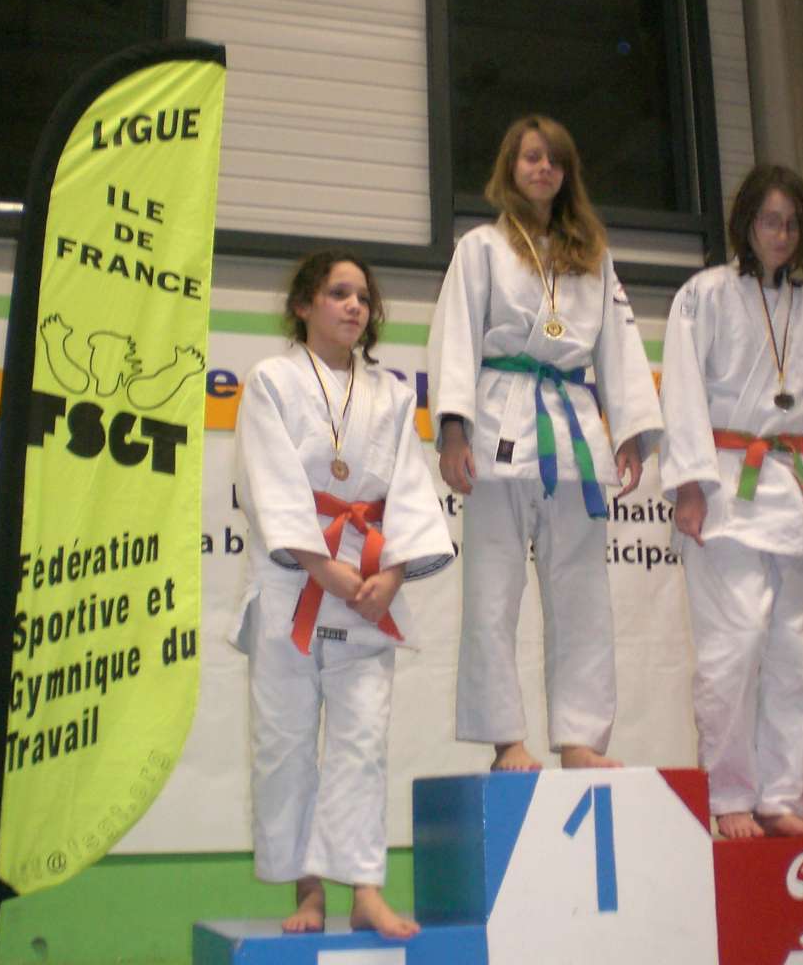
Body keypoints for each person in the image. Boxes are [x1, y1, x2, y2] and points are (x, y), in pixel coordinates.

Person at [427, 114, 663, 771]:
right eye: (531, 157)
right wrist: (453, 431)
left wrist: (631, 433)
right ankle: (507, 738)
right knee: (492, 591)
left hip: (573, 429)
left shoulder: (592, 255)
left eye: (554, 160)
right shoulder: (481, 247)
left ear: (567, 174)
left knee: (582, 594)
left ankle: (581, 738)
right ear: (511, 167)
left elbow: (619, 347)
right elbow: (454, 338)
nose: (543, 169)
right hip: (498, 422)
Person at [233, 249, 455, 938]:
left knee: (362, 743)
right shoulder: (270, 381)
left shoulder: (392, 394)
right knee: (286, 743)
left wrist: (394, 575)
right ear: (304, 305)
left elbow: (410, 489)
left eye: (362, 296)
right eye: (338, 293)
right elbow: (268, 482)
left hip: (367, 583)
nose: (354, 305)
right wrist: (319, 565)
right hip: (292, 582)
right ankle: (308, 893)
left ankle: (364, 888)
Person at [659, 164, 803, 838]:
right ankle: (729, 796)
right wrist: (690, 485)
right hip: (723, 484)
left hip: (787, 487)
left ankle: (781, 797)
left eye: (792, 223)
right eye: (770, 221)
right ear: (746, 223)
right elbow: (681, 392)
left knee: (790, 649)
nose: (781, 234)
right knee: (736, 640)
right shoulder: (703, 295)